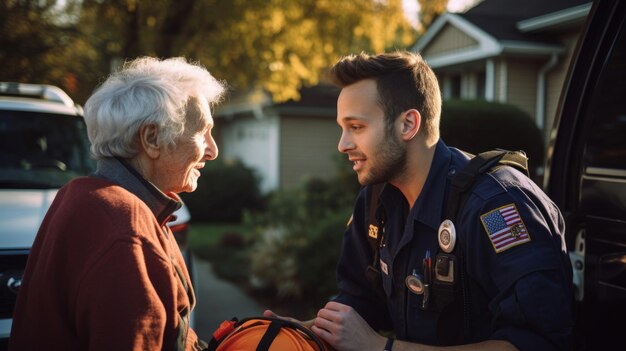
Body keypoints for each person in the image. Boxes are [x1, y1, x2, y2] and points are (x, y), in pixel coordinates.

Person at [266, 51, 573, 351]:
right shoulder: (376, 201)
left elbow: (536, 342)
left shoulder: (496, 207)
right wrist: (296, 334)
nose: (343, 144)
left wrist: (383, 348)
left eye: (356, 127)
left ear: (408, 125)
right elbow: (360, 302)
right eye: (342, 128)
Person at [9, 57, 226, 350]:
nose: (212, 150)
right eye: (202, 132)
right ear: (152, 138)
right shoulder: (126, 228)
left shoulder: (81, 195)